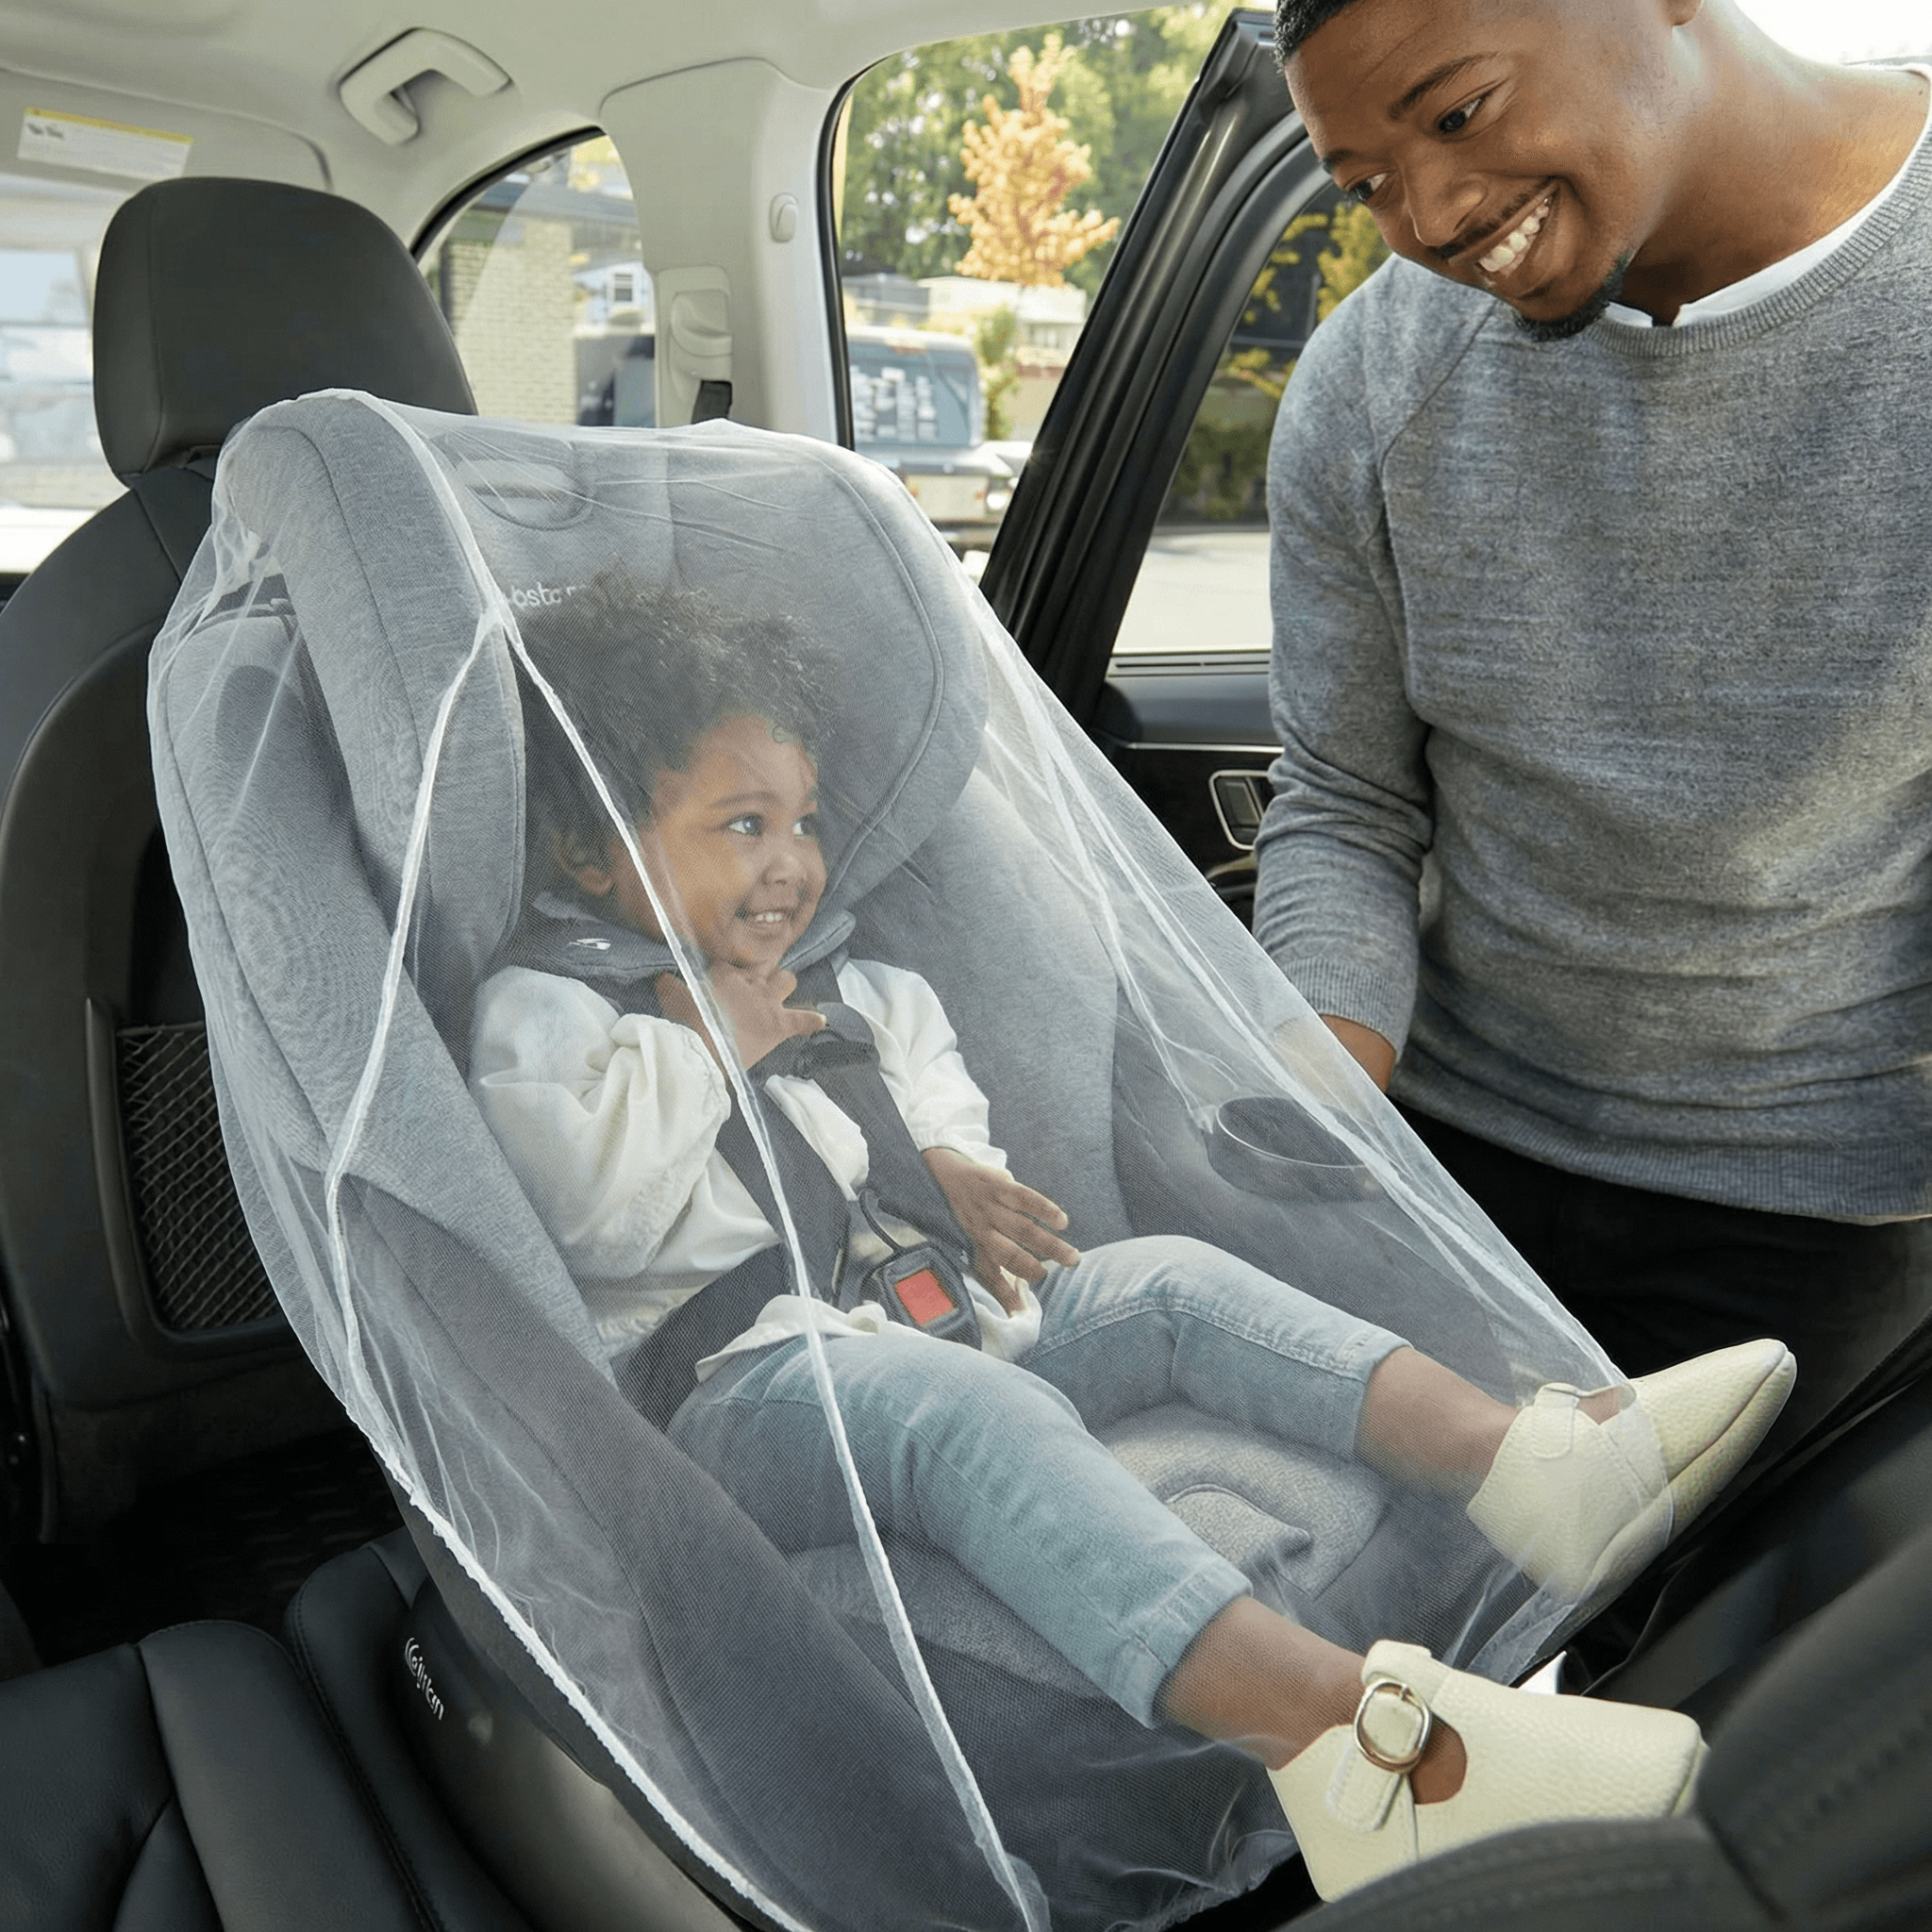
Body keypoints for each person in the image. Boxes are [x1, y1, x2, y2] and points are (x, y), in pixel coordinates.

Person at [466, 567, 1791, 1899]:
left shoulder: (860, 987)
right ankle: (1353, 1749)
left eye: (803, 821)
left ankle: (1527, 1467)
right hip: (741, 1392)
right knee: (955, 1414)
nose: (790, 862)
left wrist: (959, 1173)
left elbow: (940, 1113)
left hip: (936, 1316)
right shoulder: (550, 1014)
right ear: (594, 852)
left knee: (1166, 1282)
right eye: (742, 825)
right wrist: (708, 1050)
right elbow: (584, 1211)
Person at [1256, 0, 1932, 1449]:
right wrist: (1317, 1095)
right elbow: (1348, 801)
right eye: (1366, 184)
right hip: (1447, 1161)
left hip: (1825, 1207)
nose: (1430, 218)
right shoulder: (1374, 383)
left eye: (1458, 114)